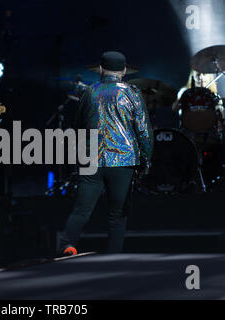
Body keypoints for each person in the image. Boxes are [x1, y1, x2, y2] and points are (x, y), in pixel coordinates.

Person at [59, 52, 153, 255]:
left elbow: (77, 127)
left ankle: (67, 245)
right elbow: (144, 132)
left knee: (82, 210)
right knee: (117, 216)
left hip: (92, 159)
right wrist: (145, 162)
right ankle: (113, 257)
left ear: (101, 70)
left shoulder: (89, 93)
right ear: (124, 71)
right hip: (123, 161)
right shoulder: (133, 93)